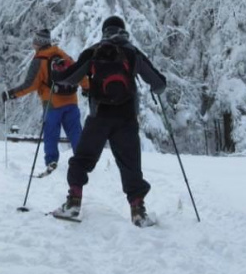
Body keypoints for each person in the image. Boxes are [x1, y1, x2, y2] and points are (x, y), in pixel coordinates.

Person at [50, 15, 166, 226]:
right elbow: (158, 81)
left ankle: (73, 202)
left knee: (83, 159)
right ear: (123, 31)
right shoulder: (132, 52)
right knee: (131, 165)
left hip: (99, 116)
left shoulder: (94, 51)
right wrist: (158, 87)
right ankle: (138, 210)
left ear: (104, 31)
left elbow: (69, 77)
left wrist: (56, 71)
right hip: (126, 118)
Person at [1, 29, 86, 176]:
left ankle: (52, 161)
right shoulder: (63, 55)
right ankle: (83, 161)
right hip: (71, 101)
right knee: (75, 131)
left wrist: (11, 94)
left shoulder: (39, 60)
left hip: (52, 103)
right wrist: (88, 87)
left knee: (50, 133)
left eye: (35, 41)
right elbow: (78, 73)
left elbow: (30, 84)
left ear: (38, 43)